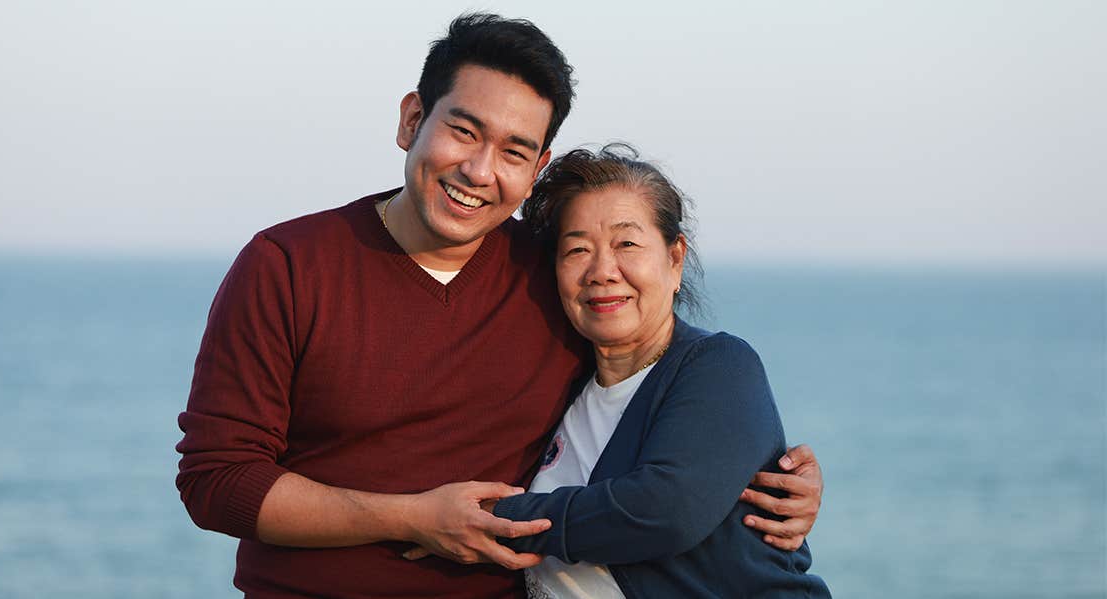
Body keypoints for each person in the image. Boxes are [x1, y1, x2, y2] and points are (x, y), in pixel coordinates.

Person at [175, 13, 823, 598]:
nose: (480, 171)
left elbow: (666, 388)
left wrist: (765, 472)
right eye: (463, 130)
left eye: (514, 151)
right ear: (411, 120)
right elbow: (217, 480)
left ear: (537, 166)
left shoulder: (549, 275)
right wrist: (410, 516)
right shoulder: (287, 265)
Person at [484, 144, 830, 597]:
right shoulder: (558, 384)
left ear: (674, 259)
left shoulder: (718, 365)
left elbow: (665, 510)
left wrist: (494, 520)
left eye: (626, 243)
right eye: (577, 250)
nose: (602, 271)